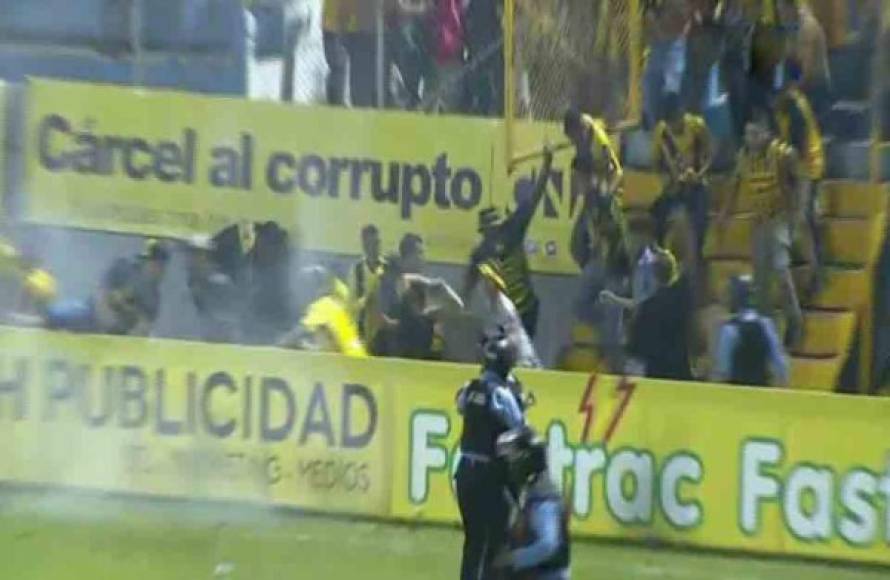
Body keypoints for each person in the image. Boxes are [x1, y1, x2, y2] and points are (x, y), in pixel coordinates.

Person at [718, 109, 804, 347]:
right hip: (758, 220)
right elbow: (735, 185)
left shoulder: (782, 154)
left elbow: (800, 183)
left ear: (766, 134)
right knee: (761, 282)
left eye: (755, 134)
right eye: (747, 134)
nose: (750, 139)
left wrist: (797, 217)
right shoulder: (743, 157)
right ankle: (767, 334)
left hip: (779, 218)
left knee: (781, 271)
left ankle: (795, 321)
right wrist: (725, 214)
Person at [455, 329, 525, 580]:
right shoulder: (502, 395)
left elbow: (461, 405)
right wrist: (520, 400)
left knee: (473, 541)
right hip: (490, 476)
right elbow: (519, 427)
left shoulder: (469, 387)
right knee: (497, 541)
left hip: (464, 473)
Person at [463, 147, 553, 339]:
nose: (494, 232)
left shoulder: (514, 228)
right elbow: (468, 285)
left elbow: (535, 197)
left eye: (495, 226)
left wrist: (547, 164)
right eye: (489, 229)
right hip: (504, 315)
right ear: (483, 231)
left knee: (522, 352)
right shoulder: (480, 253)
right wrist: (462, 310)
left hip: (527, 309)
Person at [47, 239, 171, 336]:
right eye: (156, 264)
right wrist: (106, 323)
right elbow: (100, 295)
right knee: (57, 314)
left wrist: (121, 339)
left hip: (119, 336)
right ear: (146, 261)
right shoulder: (122, 267)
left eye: (162, 267)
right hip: (90, 315)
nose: (159, 271)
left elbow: (144, 327)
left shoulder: (154, 297)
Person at [494, 427, 571, 580]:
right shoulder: (534, 491)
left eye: (513, 458)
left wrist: (512, 559)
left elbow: (547, 545)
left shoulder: (543, 500)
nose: (510, 464)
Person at [774, 62, 824, 297]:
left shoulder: (794, 105)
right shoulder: (786, 103)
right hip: (797, 169)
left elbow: (798, 149)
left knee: (803, 220)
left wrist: (795, 185)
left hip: (806, 170)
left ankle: (814, 277)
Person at [651, 93, 712, 258]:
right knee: (656, 211)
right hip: (674, 186)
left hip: (696, 185)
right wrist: (668, 181)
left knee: (699, 214)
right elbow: (657, 164)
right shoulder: (661, 132)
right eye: (670, 122)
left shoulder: (697, 126)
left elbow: (709, 157)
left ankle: (698, 254)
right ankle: (661, 256)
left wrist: (698, 175)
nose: (673, 125)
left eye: (676, 120)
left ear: (682, 112)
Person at [626, 247, 694, 380]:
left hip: (657, 374)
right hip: (681, 371)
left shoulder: (647, 308)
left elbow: (635, 348)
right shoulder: (685, 300)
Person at [713, 275, 789, 386]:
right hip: (761, 393)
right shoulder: (766, 325)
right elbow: (780, 365)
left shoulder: (729, 330)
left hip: (736, 394)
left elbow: (723, 370)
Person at [278, 266, 367, 357]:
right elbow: (331, 345)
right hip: (358, 362)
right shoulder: (338, 303)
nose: (301, 293)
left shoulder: (323, 305)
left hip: (348, 365)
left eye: (305, 286)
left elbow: (292, 337)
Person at [642, 0, 690, 128]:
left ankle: (673, 127)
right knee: (652, 94)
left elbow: (682, 16)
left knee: (671, 92)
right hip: (657, 46)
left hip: (674, 43)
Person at [185, 235, 238, 343]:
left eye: (196, 254)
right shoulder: (192, 279)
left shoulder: (220, 282)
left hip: (216, 338)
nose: (190, 258)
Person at [350, 225, 387, 345]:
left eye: (376, 243)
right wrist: (367, 299)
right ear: (364, 245)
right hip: (362, 335)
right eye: (370, 243)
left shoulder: (387, 268)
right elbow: (351, 305)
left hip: (384, 334)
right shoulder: (357, 270)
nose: (374, 248)